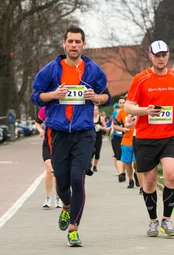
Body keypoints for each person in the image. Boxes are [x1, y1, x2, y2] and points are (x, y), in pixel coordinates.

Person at [31, 25, 111, 247]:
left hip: (84, 132)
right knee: (63, 184)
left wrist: (96, 97)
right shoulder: (50, 70)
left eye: (78, 42)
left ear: (84, 45)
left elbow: (107, 96)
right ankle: (66, 206)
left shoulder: (93, 70)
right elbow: (36, 96)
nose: (74, 45)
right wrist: (53, 94)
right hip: (58, 133)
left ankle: (74, 230)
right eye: (70, 41)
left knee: (78, 178)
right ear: (63, 44)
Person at [124, 40, 174, 238]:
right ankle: (153, 221)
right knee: (150, 181)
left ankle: (167, 220)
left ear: (168, 55)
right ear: (150, 56)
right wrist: (145, 110)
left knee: (171, 176)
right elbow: (128, 106)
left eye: (164, 55)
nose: (161, 59)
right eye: (157, 55)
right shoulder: (141, 79)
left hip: (170, 136)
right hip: (145, 138)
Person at [35, 107, 62, 209]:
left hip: (59, 144)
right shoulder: (44, 109)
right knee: (50, 170)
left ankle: (58, 198)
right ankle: (48, 198)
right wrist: (41, 130)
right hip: (47, 144)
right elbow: (37, 123)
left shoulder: (62, 109)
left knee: (58, 172)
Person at [110, 99, 127, 182]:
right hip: (116, 135)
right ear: (118, 104)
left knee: (124, 155)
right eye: (120, 103)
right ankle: (120, 173)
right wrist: (112, 129)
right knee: (118, 155)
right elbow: (113, 122)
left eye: (123, 103)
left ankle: (123, 171)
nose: (122, 104)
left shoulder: (128, 111)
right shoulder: (115, 112)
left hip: (125, 135)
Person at [92, 105, 106, 172]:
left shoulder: (101, 118)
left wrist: (100, 127)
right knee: (91, 152)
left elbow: (105, 128)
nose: (95, 111)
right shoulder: (89, 118)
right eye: (94, 110)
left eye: (96, 110)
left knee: (97, 152)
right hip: (90, 137)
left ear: (98, 110)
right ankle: (89, 164)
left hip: (98, 137)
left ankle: (95, 166)